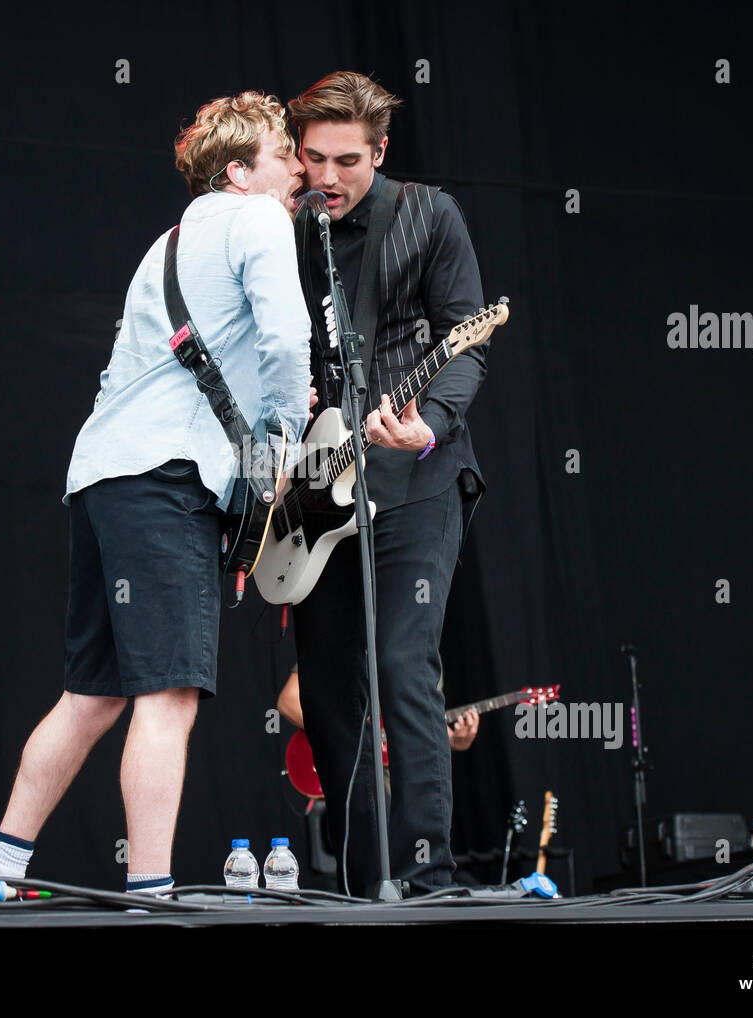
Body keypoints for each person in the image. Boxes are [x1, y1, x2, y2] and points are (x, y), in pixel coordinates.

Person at [0, 91, 312, 897]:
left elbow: (121, 373)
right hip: (166, 477)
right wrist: (283, 440)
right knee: (170, 695)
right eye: (286, 156)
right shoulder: (258, 220)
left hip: (106, 473)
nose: (300, 171)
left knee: (91, 694)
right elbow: (288, 339)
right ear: (239, 170)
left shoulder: (167, 245)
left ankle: (1, 862)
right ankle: (149, 891)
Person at [284, 71, 494, 895]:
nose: (328, 178)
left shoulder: (429, 215)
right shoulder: (286, 229)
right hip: (316, 490)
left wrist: (430, 421)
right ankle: (359, 882)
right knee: (332, 687)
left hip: (416, 475)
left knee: (405, 661)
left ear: (379, 150)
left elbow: (466, 339)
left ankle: (429, 874)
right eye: (312, 160)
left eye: (346, 160)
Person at [277, 664, 481, 751]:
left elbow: (422, 718)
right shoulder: (351, 639)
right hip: (363, 778)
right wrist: (353, 735)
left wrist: (454, 740)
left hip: (411, 783)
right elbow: (289, 701)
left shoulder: (426, 648)